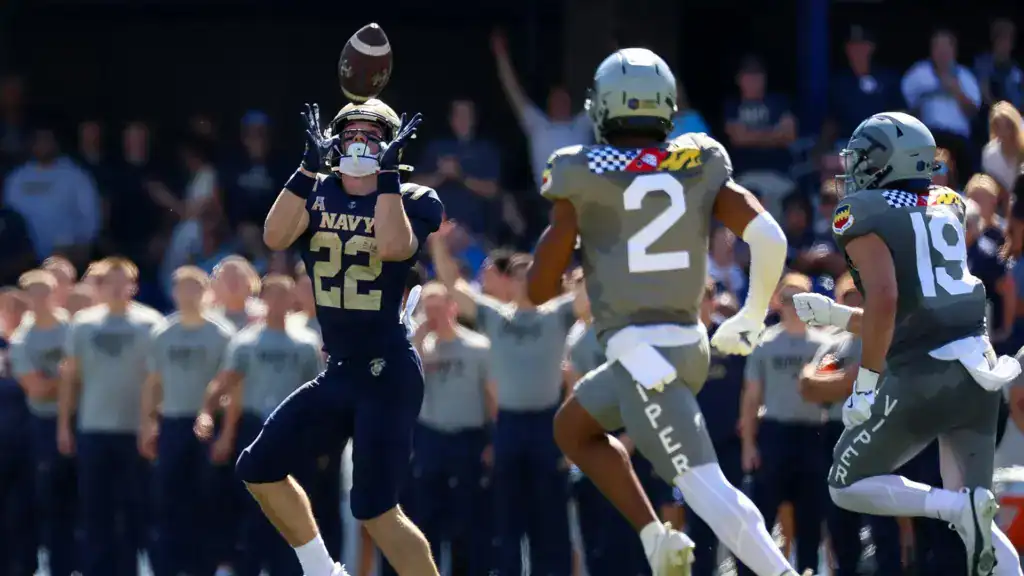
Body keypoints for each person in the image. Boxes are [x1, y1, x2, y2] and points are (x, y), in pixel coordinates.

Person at [527, 47, 798, 576]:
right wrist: (750, 313)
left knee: (703, 485)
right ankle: (655, 537)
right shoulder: (698, 159)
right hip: (678, 343)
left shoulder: (579, 171)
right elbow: (769, 235)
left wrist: (569, 219)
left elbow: (538, 290)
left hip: (645, 355)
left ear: (601, 107)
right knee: (572, 428)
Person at [792, 111, 1023, 576]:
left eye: (860, 158)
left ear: (885, 162)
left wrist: (864, 386)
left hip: (925, 374)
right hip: (978, 371)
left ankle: (952, 507)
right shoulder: (949, 203)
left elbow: (887, 300)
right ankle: (963, 512)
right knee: (977, 522)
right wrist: (839, 316)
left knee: (845, 483)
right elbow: (914, 312)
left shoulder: (860, 212)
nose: (852, 169)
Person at [235, 98, 443, 576]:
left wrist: (386, 177)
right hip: (341, 369)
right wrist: (306, 168)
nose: (359, 143)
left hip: (388, 370)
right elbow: (274, 236)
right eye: (351, 133)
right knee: (259, 467)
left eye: (373, 135)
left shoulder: (414, 197)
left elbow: (394, 246)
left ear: (394, 145)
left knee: (376, 510)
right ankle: (323, 571)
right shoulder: (315, 191)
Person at [429, 230, 577, 576]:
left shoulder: (556, 313)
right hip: (508, 426)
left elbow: (594, 292)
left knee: (550, 520)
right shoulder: (495, 315)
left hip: (547, 425)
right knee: (506, 521)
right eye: (523, 276)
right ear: (510, 281)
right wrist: (437, 243)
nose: (529, 283)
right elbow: (453, 286)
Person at [200, 274, 326, 575]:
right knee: (251, 505)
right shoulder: (245, 341)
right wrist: (210, 415)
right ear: (263, 298)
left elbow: (317, 393)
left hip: (291, 430)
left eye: (284, 295)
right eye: (272, 294)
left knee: (292, 504)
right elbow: (228, 386)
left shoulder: (306, 343)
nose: (278, 301)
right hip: (254, 426)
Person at [57, 257, 166, 575]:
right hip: (93, 428)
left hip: (135, 430)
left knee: (134, 510)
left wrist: (152, 423)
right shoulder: (82, 324)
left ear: (134, 286)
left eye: (125, 282)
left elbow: (157, 381)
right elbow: (70, 379)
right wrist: (64, 425)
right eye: (110, 283)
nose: (118, 289)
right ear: (99, 286)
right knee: (94, 511)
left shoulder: (151, 323)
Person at [796, 273, 902, 576]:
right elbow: (807, 386)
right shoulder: (835, 346)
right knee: (840, 518)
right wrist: (846, 379)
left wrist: (843, 381)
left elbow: (863, 377)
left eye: (859, 296)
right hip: (836, 433)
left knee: (882, 514)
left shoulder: (884, 338)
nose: (854, 303)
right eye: (848, 298)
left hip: (875, 431)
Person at [142, 266, 234, 576]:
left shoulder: (221, 334)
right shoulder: (163, 333)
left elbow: (231, 385)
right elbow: (153, 383)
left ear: (206, 291)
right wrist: (148, 423)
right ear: (173, 292)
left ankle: (203, 568)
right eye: (182, 288)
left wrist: (224, 429)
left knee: (206, 497)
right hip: (172, 422)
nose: (188, 294)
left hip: (207, 423)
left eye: (195, 287)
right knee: (168, 498)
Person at [739, 273, 832, 576]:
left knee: (810, 519)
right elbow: (752, 398)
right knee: (762, 518)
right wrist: (749, 444)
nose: (793, 306)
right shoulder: (765, 343)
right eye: (788, 298)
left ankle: (806, 570)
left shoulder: (825, 344)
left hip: (813, 434)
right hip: (775, 433)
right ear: (778, 302)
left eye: (800, 299)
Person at [406, 281, 496, 575]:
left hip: (467, 439)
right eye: (427, 310)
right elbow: (405, 390)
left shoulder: (478, 347)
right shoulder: (418, 350)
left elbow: (491, 396)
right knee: (426, 519)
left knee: (466, 521)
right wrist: (418, 342)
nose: (433, 315)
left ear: (452, 307)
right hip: (430, 438)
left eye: (438, 307)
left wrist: (492, 440)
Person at [8, 269, 78, 576]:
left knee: (81, 500)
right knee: (50, 500)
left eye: (45, 292)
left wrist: (65, 379)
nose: (40, 300)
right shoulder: (22, 339)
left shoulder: (74, 328)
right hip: (43, 426)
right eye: (33, 294)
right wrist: (68, 379)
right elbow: (35, 388)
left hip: (80, 421)